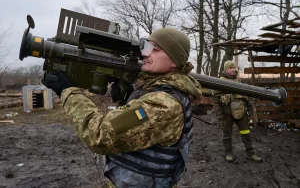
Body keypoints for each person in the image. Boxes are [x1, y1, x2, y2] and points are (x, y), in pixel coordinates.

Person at [42, 28, 202, 188]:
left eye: (155, 50)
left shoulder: (163, 105)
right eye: (146, 47)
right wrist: (125, 96)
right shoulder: (158, 91)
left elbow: (99, 135)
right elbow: (136, 132)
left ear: (174, 60)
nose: (145, 54)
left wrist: (69, 92)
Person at [217, 60, 262, 163]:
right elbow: (215, 99)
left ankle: (250, 154)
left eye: (234, 67)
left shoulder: (239, 80)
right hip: (226, 112)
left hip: (241, 111)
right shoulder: (220, 81)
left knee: (246, 133)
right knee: (227, 134)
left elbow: (246, 95)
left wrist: (249, 108)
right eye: (230, 68)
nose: (233, 69)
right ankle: (229, 153)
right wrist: (219, 113)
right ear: (225, 69)